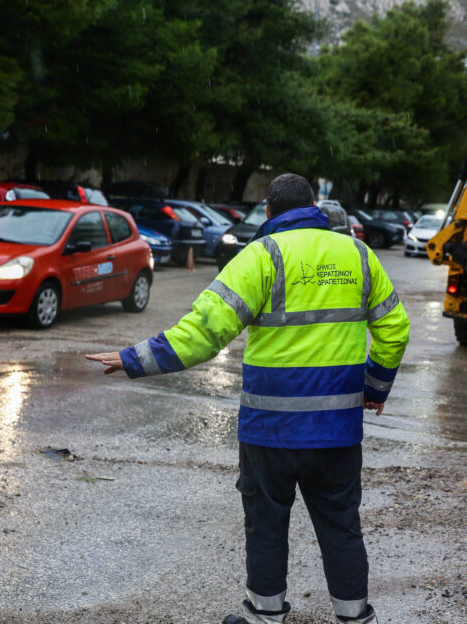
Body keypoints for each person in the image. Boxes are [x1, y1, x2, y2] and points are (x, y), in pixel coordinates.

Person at [86, 173, 410, 624]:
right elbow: (395, 327)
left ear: (270, 211)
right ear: (314, 206)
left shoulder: (261, 255)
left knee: (267, 525)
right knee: (341, 526)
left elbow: (203, 332)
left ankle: (265, 616)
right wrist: (375, 387)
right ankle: (355, 618)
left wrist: (133, 359)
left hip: (270, 432)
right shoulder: (357, 254)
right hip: (337, 431)